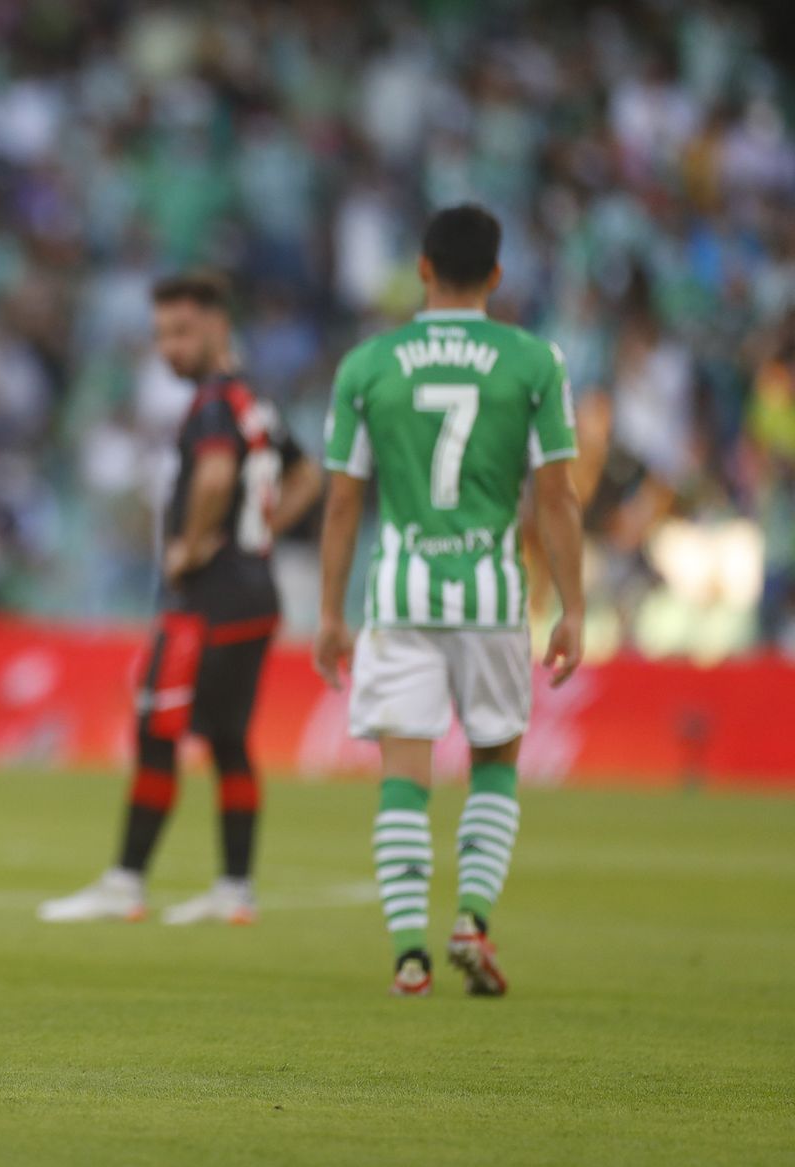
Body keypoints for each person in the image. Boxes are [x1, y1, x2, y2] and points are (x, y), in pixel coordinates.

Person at [313, 204, 584, 997]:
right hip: (494, 597)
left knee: (405, 770)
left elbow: (340, 502)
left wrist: (331, 613)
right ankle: (470, 917)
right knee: (496, 756)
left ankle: (407, 951)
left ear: (423, 269)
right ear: (496, 276)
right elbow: (558, 495)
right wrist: (572, 606)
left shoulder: (369, 363)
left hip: (400, 595)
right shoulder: (534, 361)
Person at [40, 271, 322, 925]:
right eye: (162, 334)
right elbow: (307, 474)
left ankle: (126, 882)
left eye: (183, 331)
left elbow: (220, 471)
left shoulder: (216, 402)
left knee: (157, 730)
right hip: (255, 593)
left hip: (207, 602)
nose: (170, 347)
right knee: (228, 740)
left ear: (219, 326)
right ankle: (234, 890)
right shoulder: (255, 398)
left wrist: (194, 545)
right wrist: (260, 534)